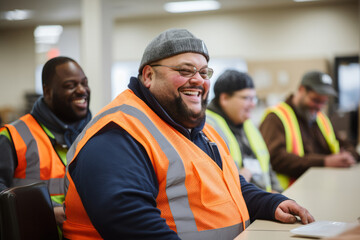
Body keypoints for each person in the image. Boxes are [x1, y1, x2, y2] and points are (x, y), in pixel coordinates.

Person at [62, 28, 314, 240]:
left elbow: (229, 186)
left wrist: (269, 204)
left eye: (204, 73)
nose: (199, 80)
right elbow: (135, 226)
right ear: (148, 75)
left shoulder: (195, 127)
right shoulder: (117, 135)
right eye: (185, 71)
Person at [0, 56, 91, 229]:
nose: (82, 90)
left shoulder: (95, 133)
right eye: (70, 86)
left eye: (84, 83)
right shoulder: (14, 136)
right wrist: (46, 210)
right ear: (48, 92)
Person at [260, 70, 359, 189]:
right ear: (301, 90)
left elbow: (343, 144)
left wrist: (348, 156)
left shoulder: (321, 118)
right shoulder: (276, 117)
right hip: (291, 193)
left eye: (323, 102)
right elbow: (276, 159)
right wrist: (324, 161)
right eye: (315, 100)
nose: (319, 107)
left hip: (323, 186)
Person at [206, 70, 283, 193]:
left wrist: (279, 194)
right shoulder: (207, 127)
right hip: (240, 203)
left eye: (254, 98)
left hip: (264, 202)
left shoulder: (248, 124)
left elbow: (266, 167)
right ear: (224, 98)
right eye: (247, 98)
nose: (253, 104)